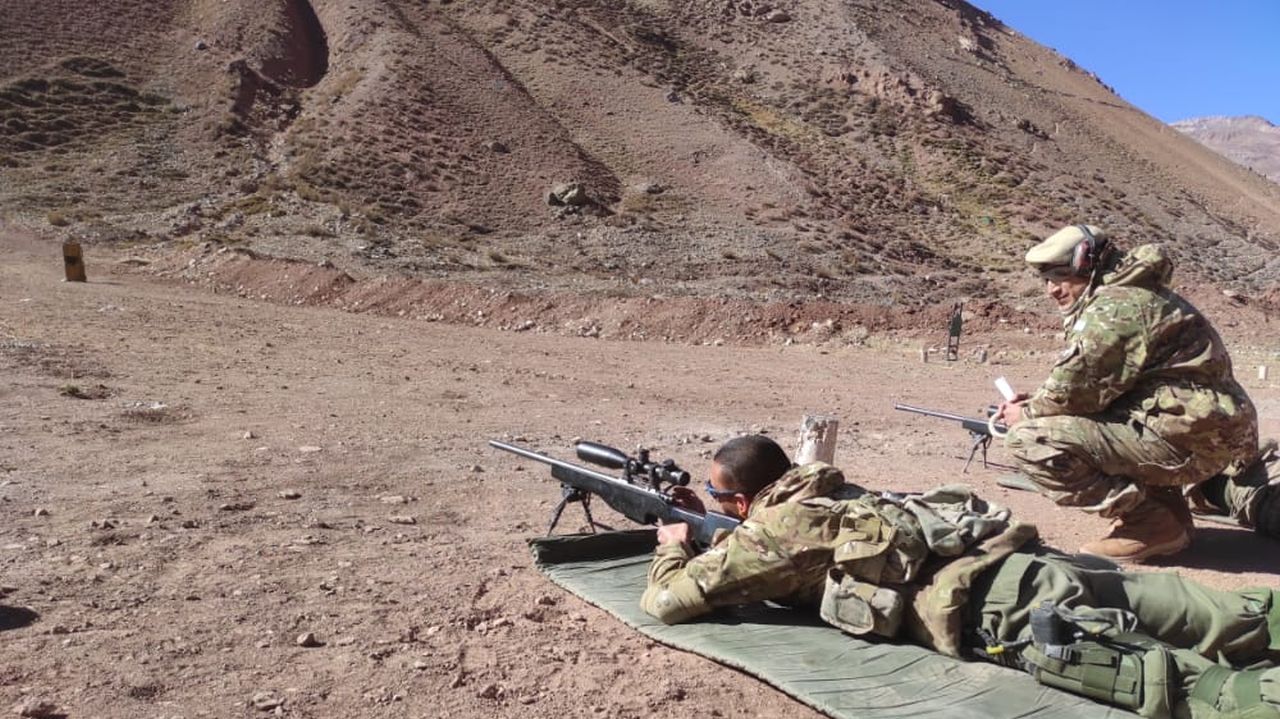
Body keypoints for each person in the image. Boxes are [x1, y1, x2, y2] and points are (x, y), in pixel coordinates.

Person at [642, 435, 1280, 719]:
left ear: (744, 501)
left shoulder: (772, 531)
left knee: (1205, 692)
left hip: (999, 613)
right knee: (1228, 614)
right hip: (1037, 566)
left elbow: (669, 602)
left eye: (716, 494)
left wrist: (673, 544)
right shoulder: (838, 492)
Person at [992, 224, 1259, 561]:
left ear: (1088, 266)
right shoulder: (1132, 296)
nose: (1052, 290)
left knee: (1029, 439)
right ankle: (1170, 519)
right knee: (1103, 424)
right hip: (1201, 433)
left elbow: (1073, 391)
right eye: (1045, 279)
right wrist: (1042, 402)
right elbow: (1096, 389)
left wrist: (1026, 414)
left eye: (1060, 276)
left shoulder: (1115, 309)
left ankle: (1149, 524)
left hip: (1193, 439)